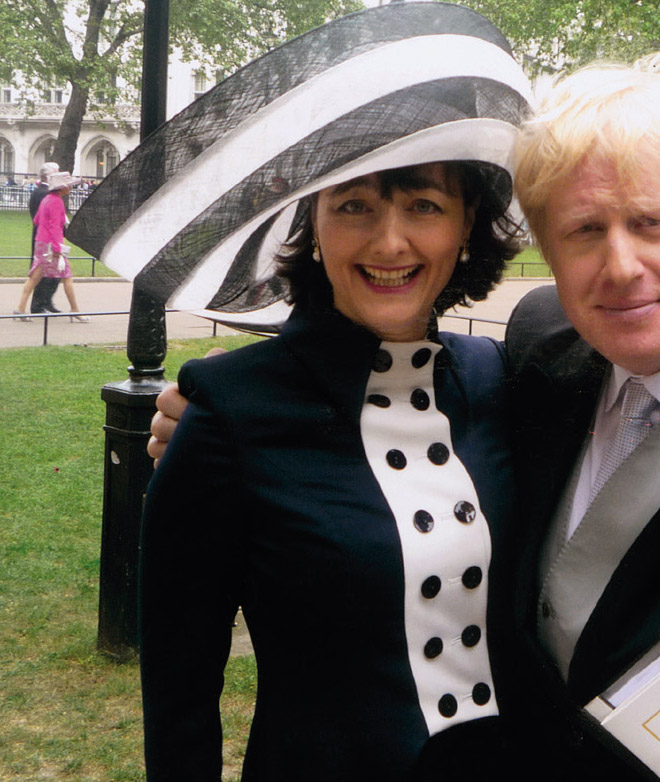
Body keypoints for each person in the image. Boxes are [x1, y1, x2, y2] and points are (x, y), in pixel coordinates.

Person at [149, 53, 660, 782]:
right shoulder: (541, 354)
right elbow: (182, 683)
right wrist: (223, 413)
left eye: (651, 221)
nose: (619, 266)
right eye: (584, 230)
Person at [73, 5, 534, 780]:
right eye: (353, 205)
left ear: (465, 229)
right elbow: (181, 692)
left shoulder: (499, 379)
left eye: (423, 204)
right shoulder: (226, 410)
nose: (389, 241)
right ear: (312, 227)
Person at [14, 170, 89, 322]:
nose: (70, 188)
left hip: (42, 242)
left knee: (35, 277)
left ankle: (21, 308)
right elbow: (56, 227)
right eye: (68, 185)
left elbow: (37, 220)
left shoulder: (47, 199)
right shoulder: (56, 202)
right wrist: (57, 248)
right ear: (62, 187)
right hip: (51, 245)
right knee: (67, 277)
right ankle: (75, 309)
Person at [27, 162, 63, 314]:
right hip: (47, 237)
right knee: (45, 272)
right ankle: (39, 304)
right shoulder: (46, 194)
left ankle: (45, 302)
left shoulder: (40, 192)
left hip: (42, 235)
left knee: (49, 273)